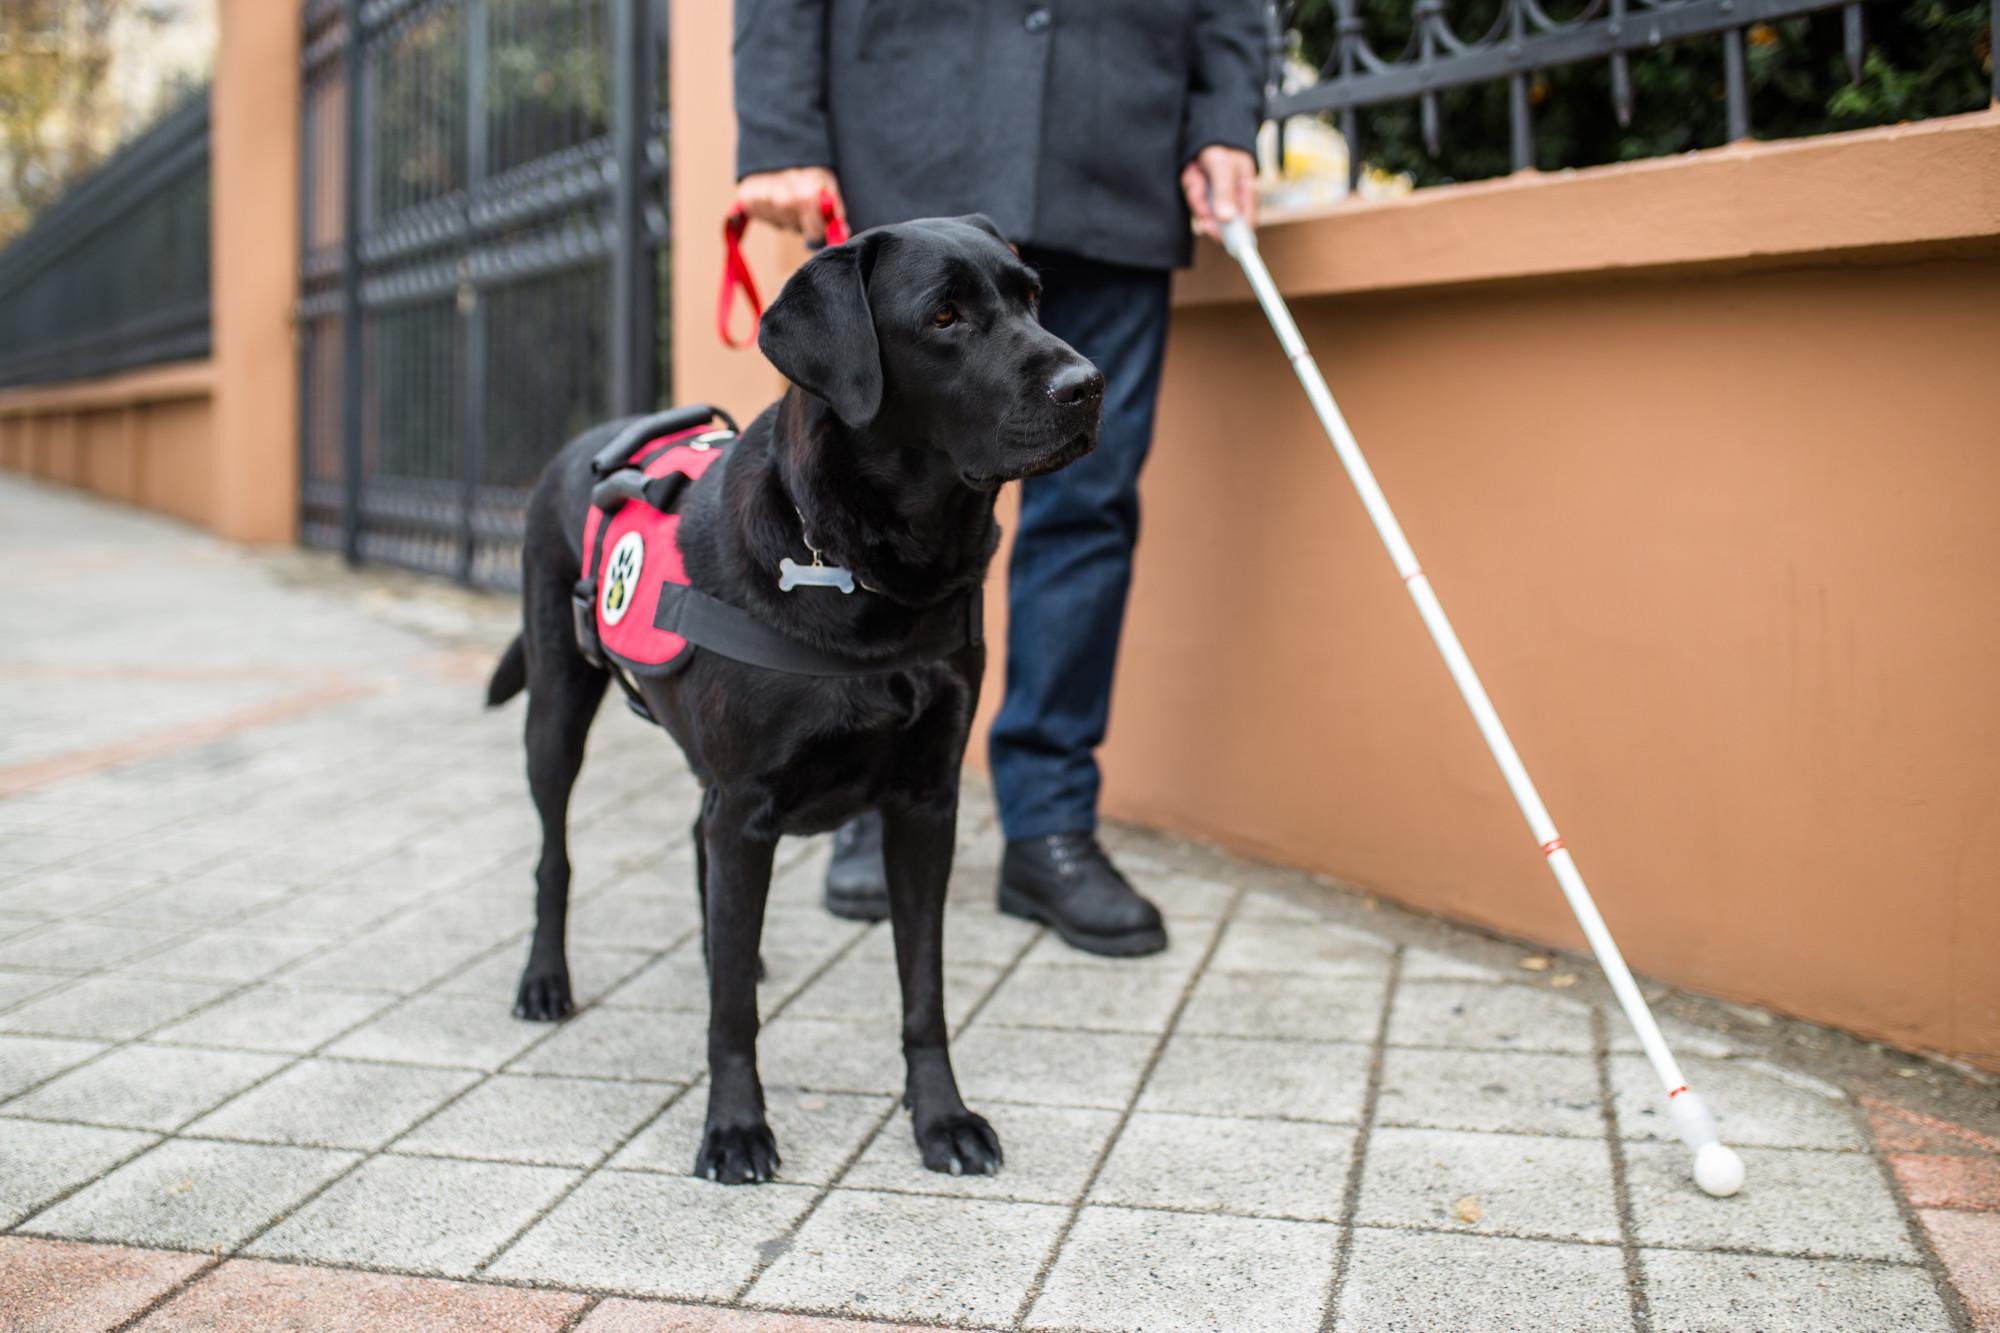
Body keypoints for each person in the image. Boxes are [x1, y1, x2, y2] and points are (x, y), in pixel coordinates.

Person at [733, 0, 1265, 957]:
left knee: (1090, 505)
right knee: (873, 505)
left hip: (1115, 154)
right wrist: (777, 127)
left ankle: (1051, 824)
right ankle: (867, 788)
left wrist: (1226, 112)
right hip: (908, 132)